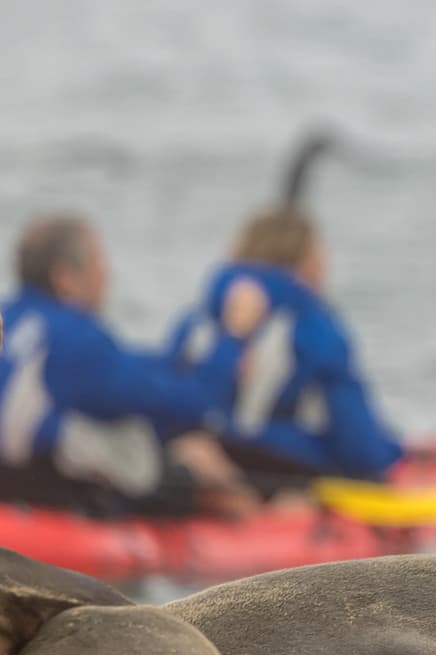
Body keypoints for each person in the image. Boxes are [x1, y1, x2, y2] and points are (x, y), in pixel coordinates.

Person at [0, 213, 272, 520]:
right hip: (58, 496)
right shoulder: (74, 338)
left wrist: (179, 363)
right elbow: (195, 403)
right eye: (98, 264)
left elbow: (123, 373)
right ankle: (262, 530)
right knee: (198, 453)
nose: (106, 276)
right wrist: (233, 338)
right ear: (65, 278)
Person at [166, 205, 404, 484]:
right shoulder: (314, 327)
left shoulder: (195, 322)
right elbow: (359, 444)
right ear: (308, 262)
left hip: (196, 453)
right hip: (276, 469)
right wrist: (389, 459)